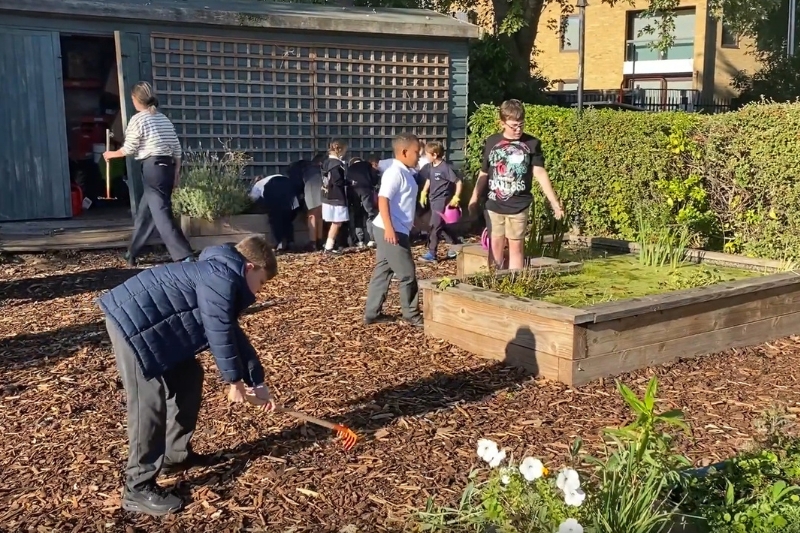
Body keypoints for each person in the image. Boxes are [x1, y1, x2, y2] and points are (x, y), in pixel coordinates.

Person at [97, 235, 278, 516]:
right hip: (131, 324)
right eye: (262, 282)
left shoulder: (222, 273)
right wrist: (234, 381)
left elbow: (231, 333)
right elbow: (218, 331)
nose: (259, 291)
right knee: (149, 403)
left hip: (157, 331)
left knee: (189, 377)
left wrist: (258, 382)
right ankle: (138, 487)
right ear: (250, 267)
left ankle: (176, 456)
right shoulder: (222, 278)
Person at [103, 81, 194, 268]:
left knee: (161, 213)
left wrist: (110, 154)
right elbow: (177, 149)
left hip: (153, 168)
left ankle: (184, 255)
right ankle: (132, 252)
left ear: (136, 100)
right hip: (167, 168)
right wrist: (176, 174)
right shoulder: (164, 119)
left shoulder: (138, 120)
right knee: (147, 212)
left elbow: (129, 148)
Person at [468, 99, 564, 270]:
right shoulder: (492, 142)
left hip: (519, 205)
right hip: (494, 205)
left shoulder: (532, 144)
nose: (518, 130)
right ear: (502, 123)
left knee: (516, 247)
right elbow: (484, 173)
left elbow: (540, 173)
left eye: (521, 125)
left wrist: (554, 203)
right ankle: (495, 283)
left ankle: (515, 284)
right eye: (513, 126)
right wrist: (474, 198)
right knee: (495, 244)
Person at [364, 132, 424, 328]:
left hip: (395, 227)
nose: (419, 155)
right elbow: (383, 199)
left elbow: (403, 202)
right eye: (417, 151)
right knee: (407, 273)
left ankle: (372, 313)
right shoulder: (395, 172)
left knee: (383, 270)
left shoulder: (406, 172)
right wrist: (390, 229)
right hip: (391, 230)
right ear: (404, 152)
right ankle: (411, 314)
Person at [418, 141, 462, 262]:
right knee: (441, 226)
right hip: (433, 200)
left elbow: (458, 182)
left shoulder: (445, 168)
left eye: (427, 154)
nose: (426, 156)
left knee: (434, 226)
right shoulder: (431, 166)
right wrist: (424, 192)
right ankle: (456, 246)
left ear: (435, 154)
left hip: (441, 201)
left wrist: (456, 197)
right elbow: (429, 180)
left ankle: (432, 254)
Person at [249, 173, 302, 253]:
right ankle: (290, 242)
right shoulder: (275, 176)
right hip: (288, 184)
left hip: (272, 187)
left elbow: (252, 199)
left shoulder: (258, 184)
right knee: (287, 219)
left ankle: (279, 243)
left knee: (275, 219)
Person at [320, 139, 349, 255]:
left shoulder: (326, 162)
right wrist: (349, 182)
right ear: (340, 150)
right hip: (336, 197)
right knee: (337, 222)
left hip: (326, 194)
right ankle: (329, 247)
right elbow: (338, 181)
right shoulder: (337, 165)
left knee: (333, 222)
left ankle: (328, 244)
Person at [347, 155, 381, 248]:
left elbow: (347, 182)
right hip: (366, 190)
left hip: (354, 192)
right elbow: (374, 177)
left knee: (358, 215)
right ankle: (372, 239)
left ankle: (360, 240)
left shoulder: (349, 168)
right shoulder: (367, 165)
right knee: (370, 214)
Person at [298, 154, 326, 251]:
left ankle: (313, 242)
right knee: (319, 217)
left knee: (312, 216)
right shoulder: (323, 170)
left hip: (312, 189)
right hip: (323, 191)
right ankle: (319, 241)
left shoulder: (308, 170)